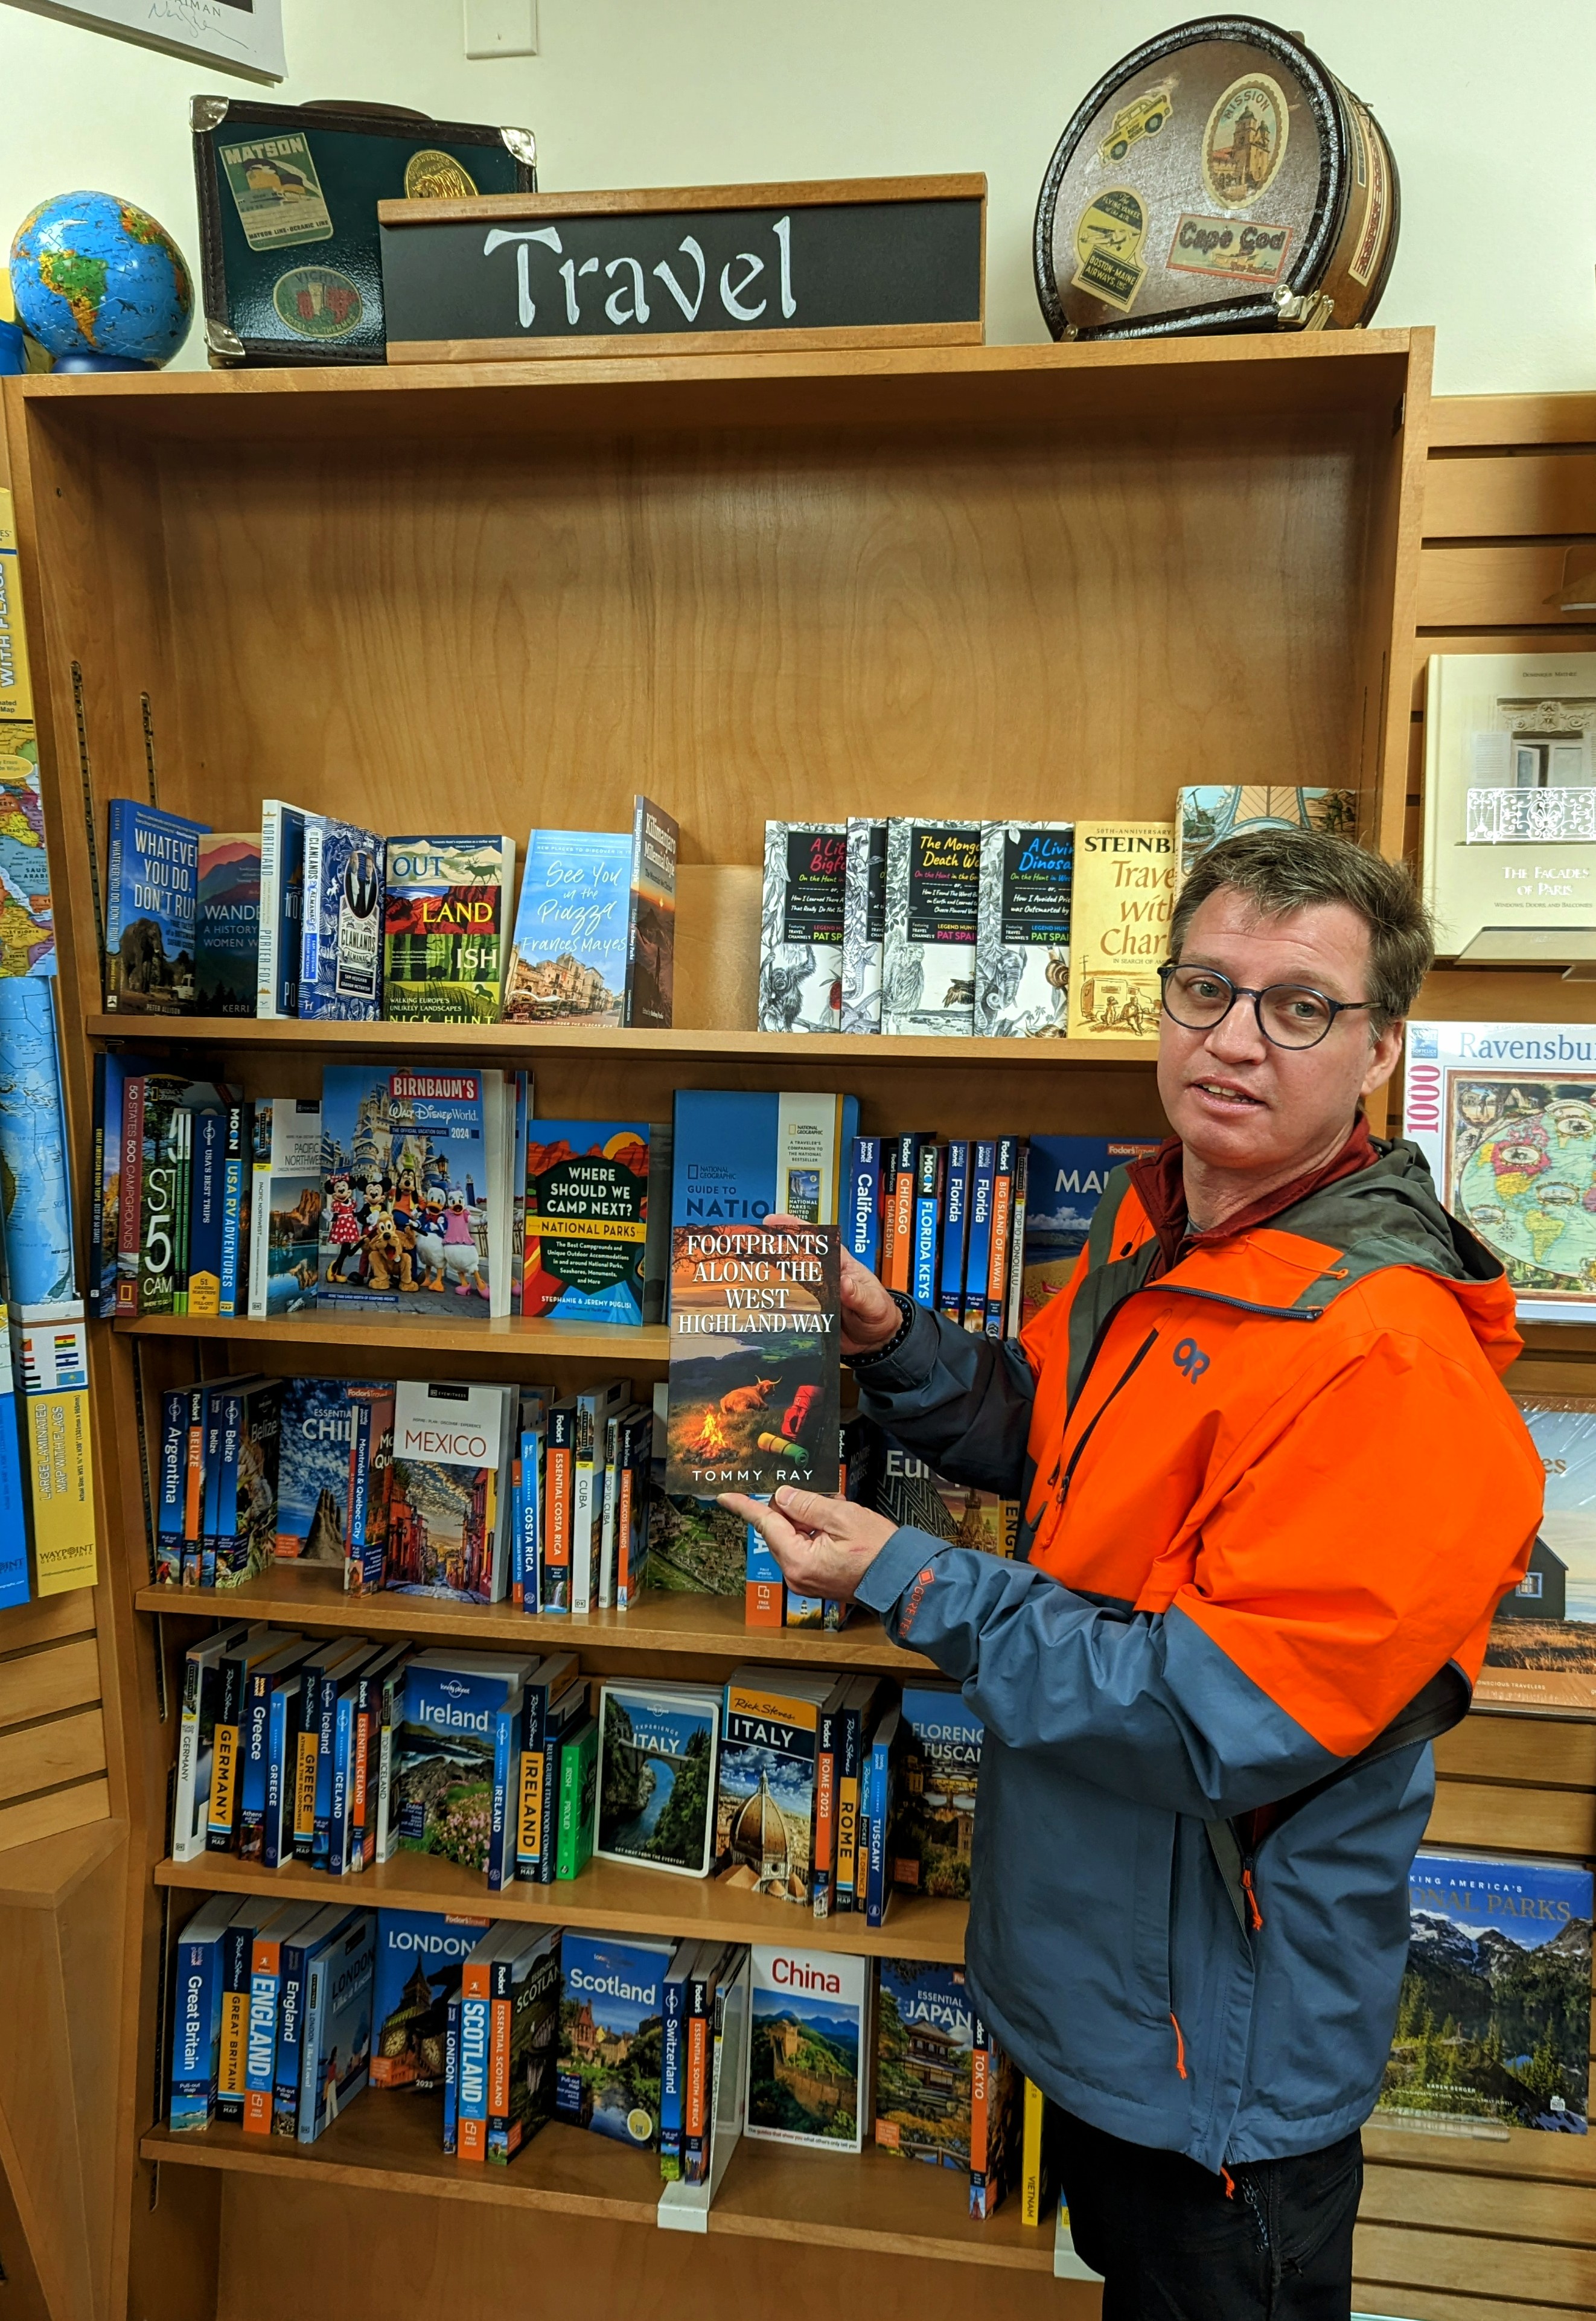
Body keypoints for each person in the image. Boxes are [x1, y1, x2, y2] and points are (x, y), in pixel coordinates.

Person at [724, 829, 1542, 2321]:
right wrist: (888, 1340)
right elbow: (1060, 1439)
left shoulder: (1391, 1364)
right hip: (1101, 1988)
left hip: (1218, 2054)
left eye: (1297, 1007)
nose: (1231, 1039)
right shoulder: (1165, 1222)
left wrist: (912, 1580)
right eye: (1204, 988)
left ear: (1377, 1050)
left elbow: (1202, 1716)